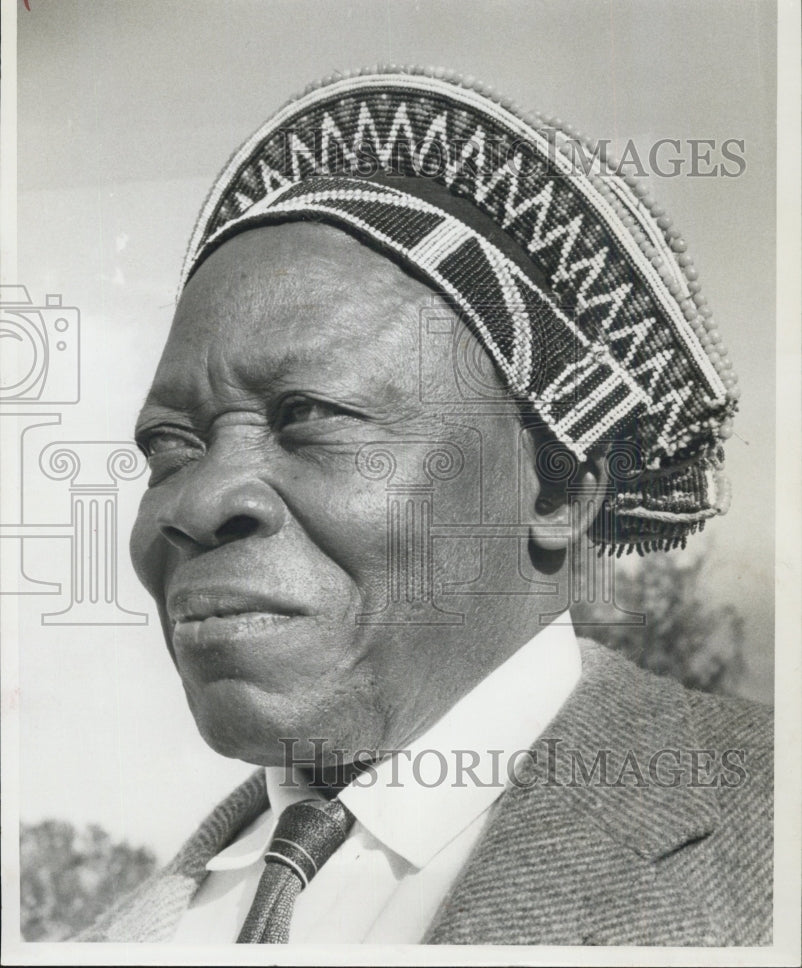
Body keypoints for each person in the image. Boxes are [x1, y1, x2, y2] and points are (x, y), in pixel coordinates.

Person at [78, 67, 771, 946]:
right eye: (171, 445)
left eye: (307, 416)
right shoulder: (118, 940)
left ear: (557, 488)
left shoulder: (768, 840)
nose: (204, 498)